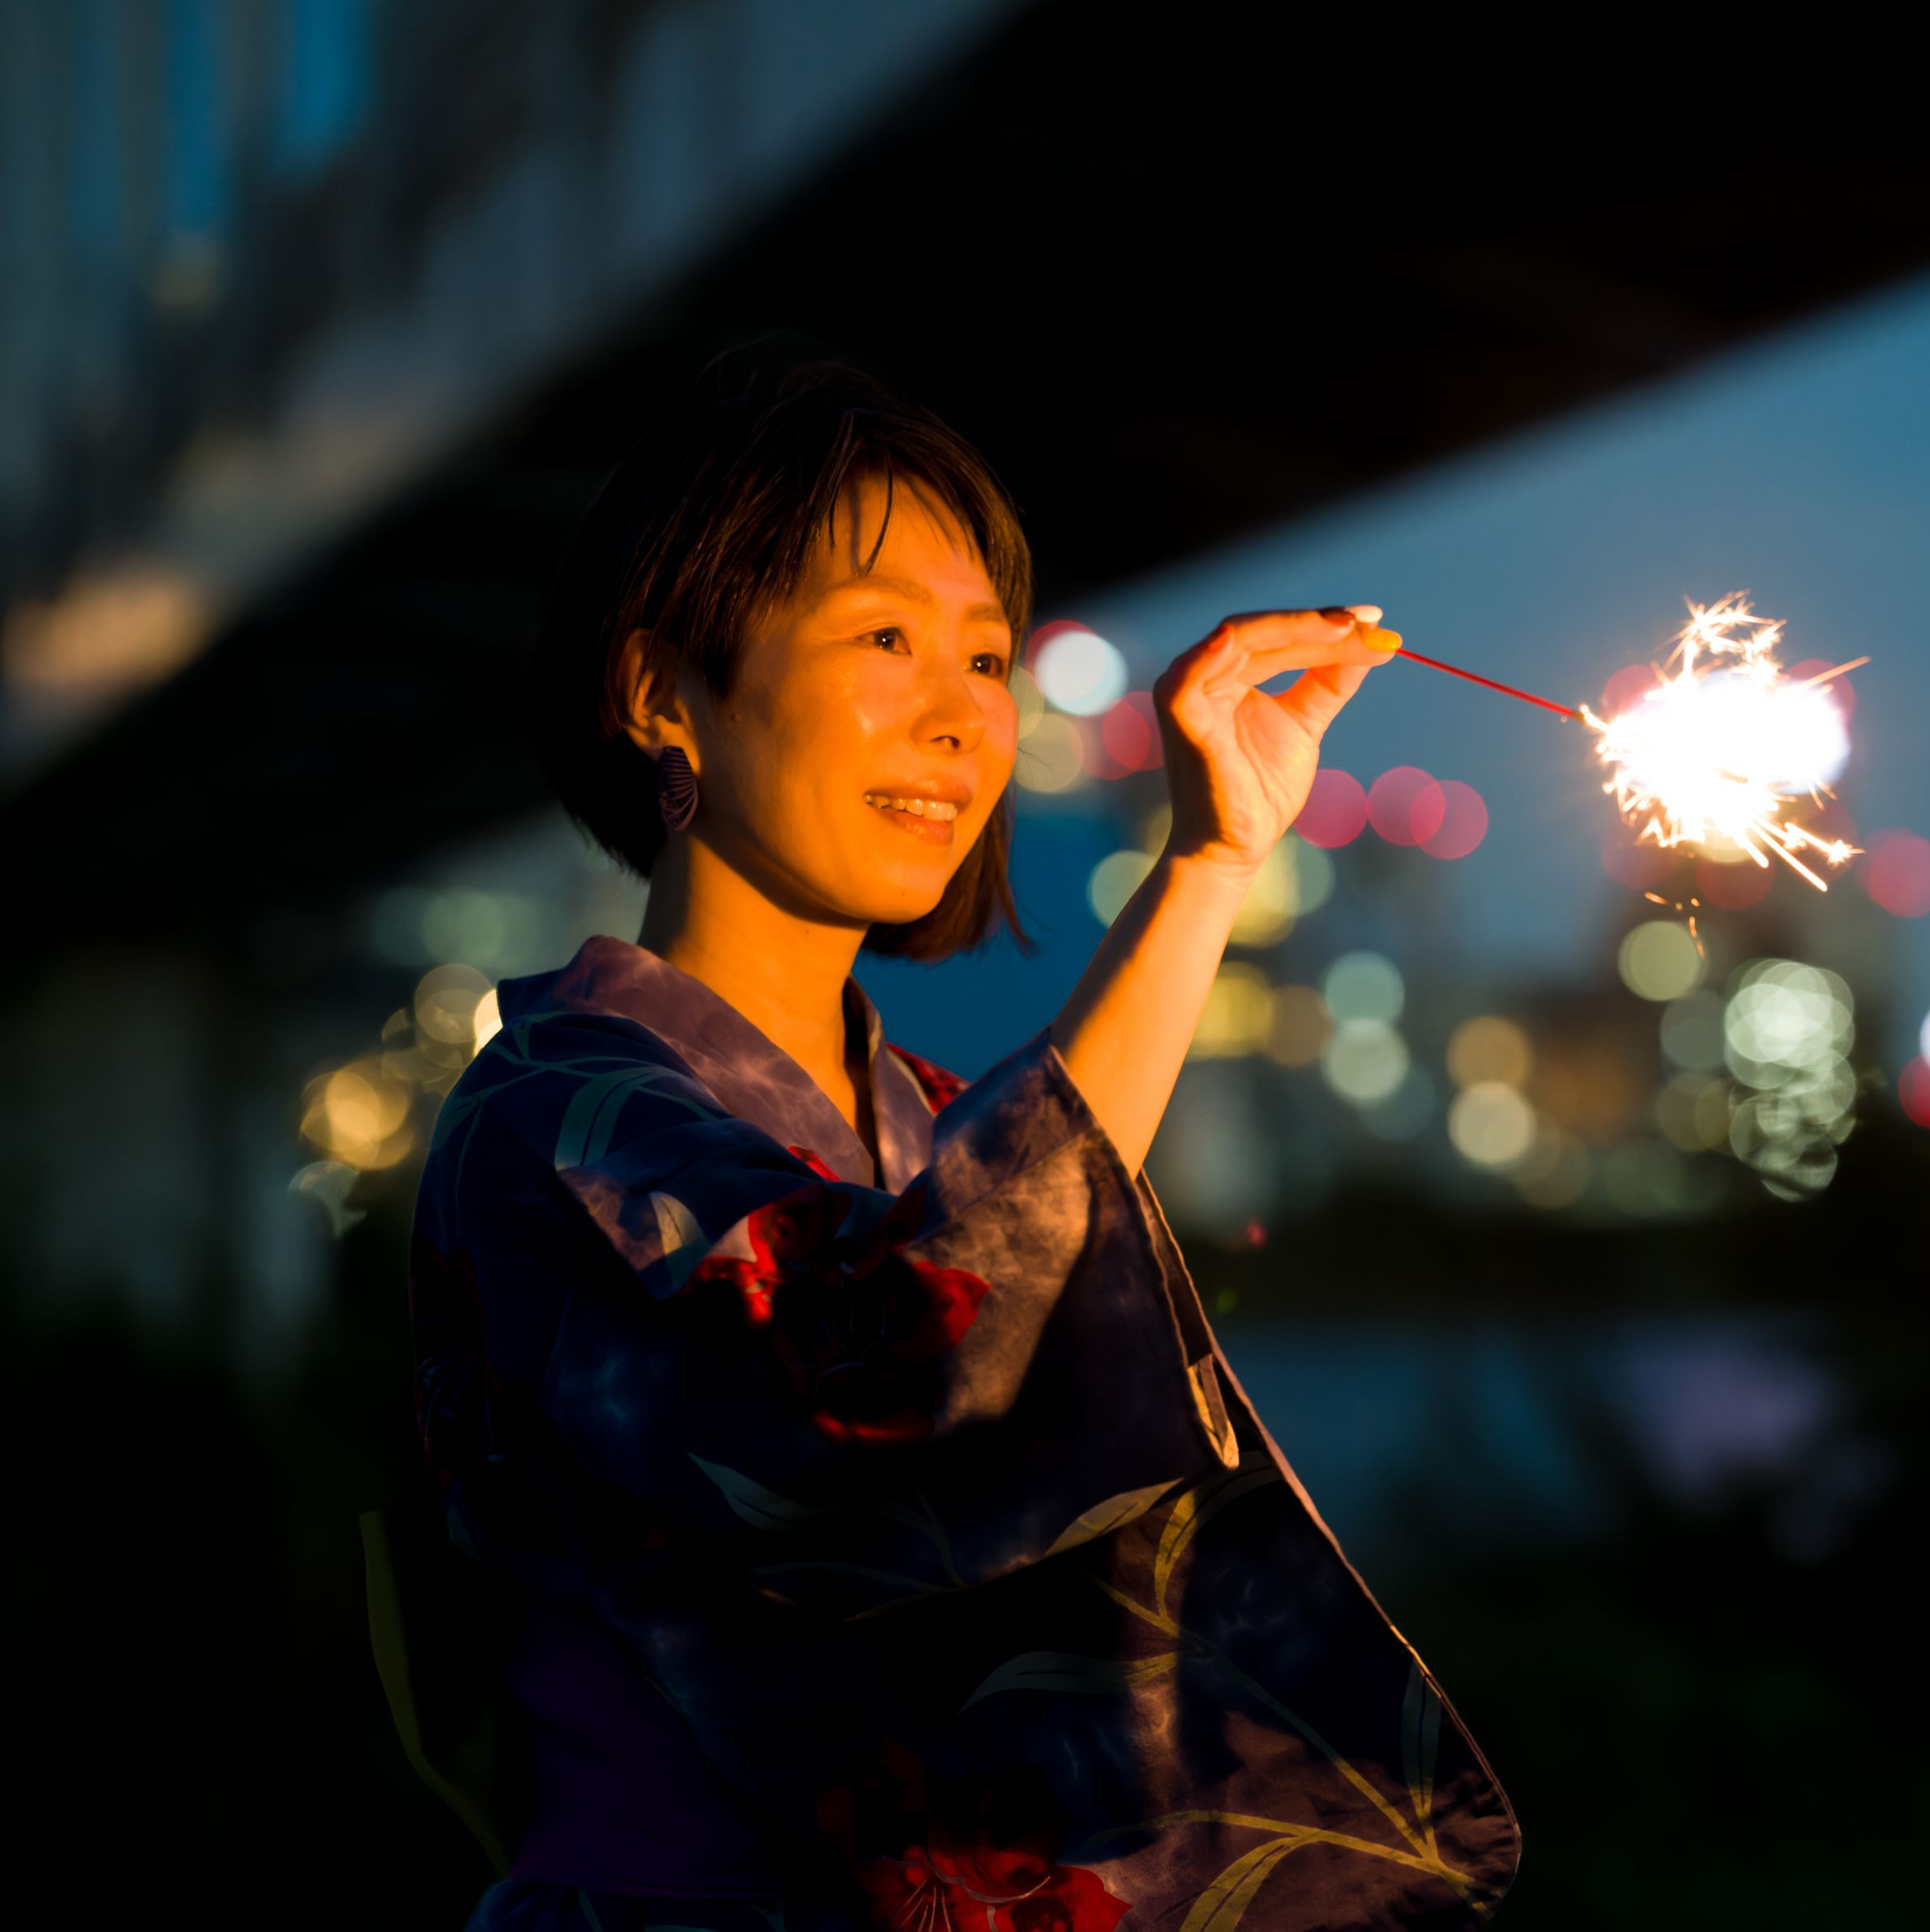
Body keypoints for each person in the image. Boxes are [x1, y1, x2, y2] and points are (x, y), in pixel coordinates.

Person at [406, 353, 1518, 1931]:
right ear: (661, 693)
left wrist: (1217, 862)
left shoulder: (926, 1116)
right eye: (884, 638)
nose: (959, 717)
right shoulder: (552, 1115)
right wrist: (1200, 875)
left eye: (986, 657)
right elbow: (900, 1379)